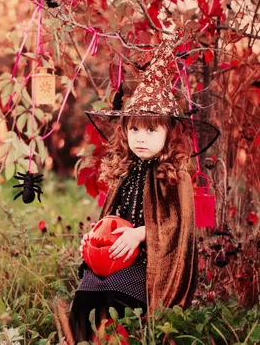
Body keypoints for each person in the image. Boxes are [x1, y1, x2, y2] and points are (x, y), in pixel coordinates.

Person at [67, 40, 220, 343]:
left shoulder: (175, 174)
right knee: (83, 303)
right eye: (134, 129)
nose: (141, 138)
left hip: (149, 264)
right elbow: (109, 219)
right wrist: (94, 240)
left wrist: (140, 233)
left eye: (152, 130)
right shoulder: (126, 169)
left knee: (112, 302)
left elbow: (180, 226)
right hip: (112, 257)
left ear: (169, 132)